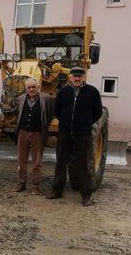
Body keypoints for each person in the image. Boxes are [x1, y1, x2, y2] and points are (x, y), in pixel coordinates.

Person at [47, 66, 103, 207]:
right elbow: (57, 111)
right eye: (74, 76)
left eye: (79, 76)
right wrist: (66, 122)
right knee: (61, 163)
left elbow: (98, 112)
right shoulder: (63, 92)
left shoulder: (92, 92)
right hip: (65, 133)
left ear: (83, 78)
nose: (77, 79)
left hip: (83, 135)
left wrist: (86, 123)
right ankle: (57, 191)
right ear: (70, 77)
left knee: (84, 165)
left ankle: (86, 196)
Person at [14, 78, 54, 194]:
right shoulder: (20, 99)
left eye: (33, 87)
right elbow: (18, 113)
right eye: (29, 87)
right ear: (26, 89)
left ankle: (35, 186)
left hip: (38, 134)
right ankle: (22, 183)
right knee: (21, 160)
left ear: (38, 87)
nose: (31, 89)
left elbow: (50, 114)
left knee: (36, 162)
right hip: (22, 133)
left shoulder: (46, 99)